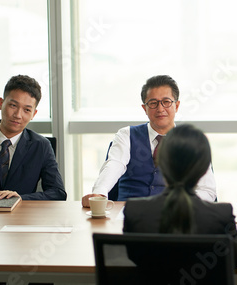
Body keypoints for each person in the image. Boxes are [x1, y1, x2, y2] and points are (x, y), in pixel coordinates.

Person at [82, 75, 216, 206]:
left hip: (174, 217)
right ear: (144, 108)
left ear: (177, 105)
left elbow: (207, 191)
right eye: (153, 103)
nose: (160, 108)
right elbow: (114, 165)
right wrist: (99, 194)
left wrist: (181, 206)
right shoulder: (126, 135)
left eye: (166, 102)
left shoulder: (191, 140)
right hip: (127, 215)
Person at [123, 124, 237, 267]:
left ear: (161, 163)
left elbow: (130, 259)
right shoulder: (222, 215)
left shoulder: (134, 211)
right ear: (204, 168)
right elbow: (234, 261)